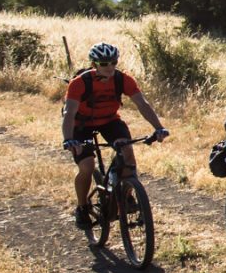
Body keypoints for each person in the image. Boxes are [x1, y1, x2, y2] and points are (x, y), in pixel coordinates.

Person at [61, 41, 170, 229]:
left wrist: (158, 127)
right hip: (81, 124)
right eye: (104, 64)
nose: (110, 67)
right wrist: (69, 139)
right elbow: (69, 113)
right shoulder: (79, 83)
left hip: (110, 121)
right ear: (94, 64)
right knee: (87, 166)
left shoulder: (123, 79)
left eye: (113, 62)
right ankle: (81, 207)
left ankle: (126, 193)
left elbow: (142, 104)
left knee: (126, 152)